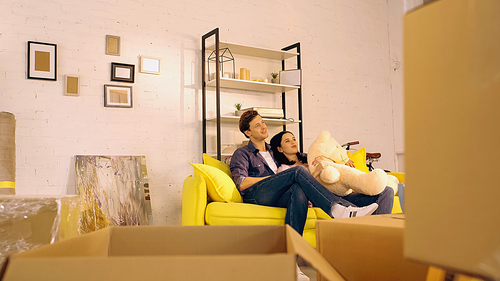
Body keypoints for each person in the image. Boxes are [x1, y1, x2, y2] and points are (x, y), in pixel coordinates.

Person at [229, 110, 390, 237]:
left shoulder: (275, 150)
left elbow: (306, 158)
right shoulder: (242, 153)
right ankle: (338, 209)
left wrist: (332, 159)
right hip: (257, 194)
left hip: (282, 193)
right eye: (257, 125)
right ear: (247, 132)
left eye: (263, 122)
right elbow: (241, 183)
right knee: (296, 172)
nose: (264, 127)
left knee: (386, 191)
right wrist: (277, 178)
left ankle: (293, 256)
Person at [270, 130, 395, 214]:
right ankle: (355, 215)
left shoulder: (310, 158)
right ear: (280, 149)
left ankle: (380, 232)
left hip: (342, 192)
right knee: (356, 208)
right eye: (287, 141)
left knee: (386, 191)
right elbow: (303, 189)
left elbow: (336, 170)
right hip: (324, 199)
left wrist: (340, 162)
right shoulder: (284, 170)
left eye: (293, 139)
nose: (293, 142)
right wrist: (316, 171)